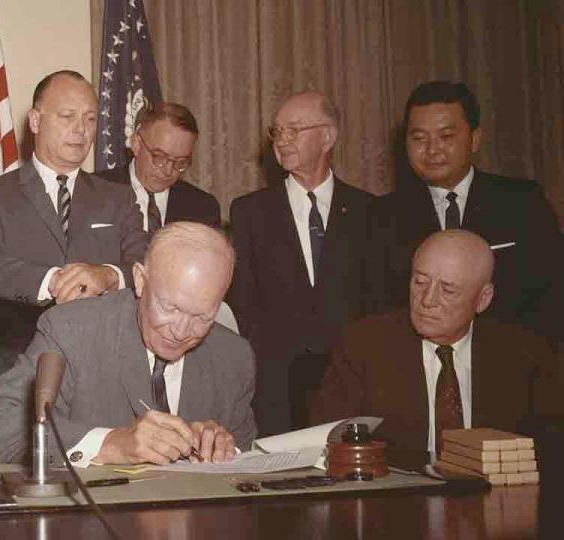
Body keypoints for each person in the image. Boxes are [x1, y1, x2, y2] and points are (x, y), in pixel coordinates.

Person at [0, 70, 148, 453]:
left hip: (102, 361)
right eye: (68, 116)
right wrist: (53, 280)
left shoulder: (118, 198)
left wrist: (107, 276)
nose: (81, 130)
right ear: (37, 121)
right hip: (19, 357)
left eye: (90, 119)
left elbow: (145, 260)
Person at [0, 222, 257, 466]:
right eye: (170, 308)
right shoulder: (71, 330)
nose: (181, 331)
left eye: (202, 316)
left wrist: (220, 449)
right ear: (140, 280)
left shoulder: (234, 357)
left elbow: (248, 466)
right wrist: (111, 444)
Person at [313, 230, 563, 469]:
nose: (428, 300)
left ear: (483, 299)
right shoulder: (364, 345)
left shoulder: (525, 353)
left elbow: (549, 450)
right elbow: (328, 444)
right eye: (420, 282)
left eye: (448, 289)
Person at [228, 91, 376, 435]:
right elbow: (244, 303)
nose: (282, 140)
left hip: (348, 381)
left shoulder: (369, 211)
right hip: (275, 388)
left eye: (294, 130)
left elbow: (375, 303)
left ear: (328, 136)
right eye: (277, 131)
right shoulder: (249, 212)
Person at [377, 81, 562, 339]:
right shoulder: (381, 215)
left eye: (446, 136)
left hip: (510, 358)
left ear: (474, 139)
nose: (432, 150)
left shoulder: (522, 202)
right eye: (419, 138)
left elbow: (553, 294)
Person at [96, 102, 220, 231]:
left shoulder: (203, 208)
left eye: (180, 162)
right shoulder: (94, 193)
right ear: (136, 144)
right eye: (159, 157)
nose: (168, 171)